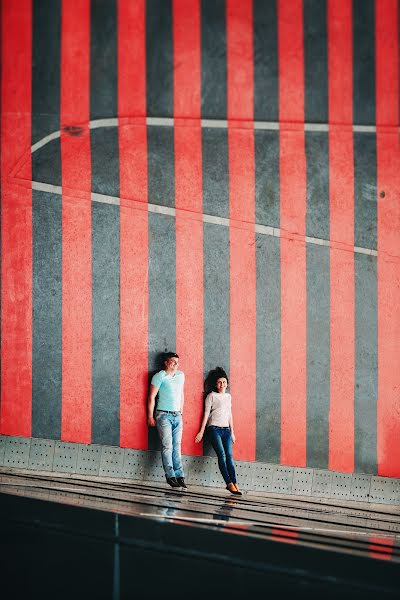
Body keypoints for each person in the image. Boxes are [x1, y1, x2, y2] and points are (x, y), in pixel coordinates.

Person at [195, 367, 242, 496]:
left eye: (224, 382)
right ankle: (228, 483)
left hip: (226, 430)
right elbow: (205, 414)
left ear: (227, 383)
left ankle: (235, 483)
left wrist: (232, 432)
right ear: (216, 384)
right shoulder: (211, 396)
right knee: (221, 455)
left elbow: (229, 414)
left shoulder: (228, 397)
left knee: (229, 457)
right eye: (220, 382)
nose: (222, 384)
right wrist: (201, 431)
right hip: (213, 429)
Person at [148, 352, 187, 489]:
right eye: (172, 361)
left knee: (177, 446)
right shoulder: (159, 376)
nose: (176, 364)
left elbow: (182, 394)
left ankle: (180, 476)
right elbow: (151, 397)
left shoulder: (181, 376)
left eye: (177, 362)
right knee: (167, 446)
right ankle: (170, 476)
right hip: (163, 415)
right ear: (166, 362)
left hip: (177, 416)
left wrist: (181, 412)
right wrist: (150, 416)